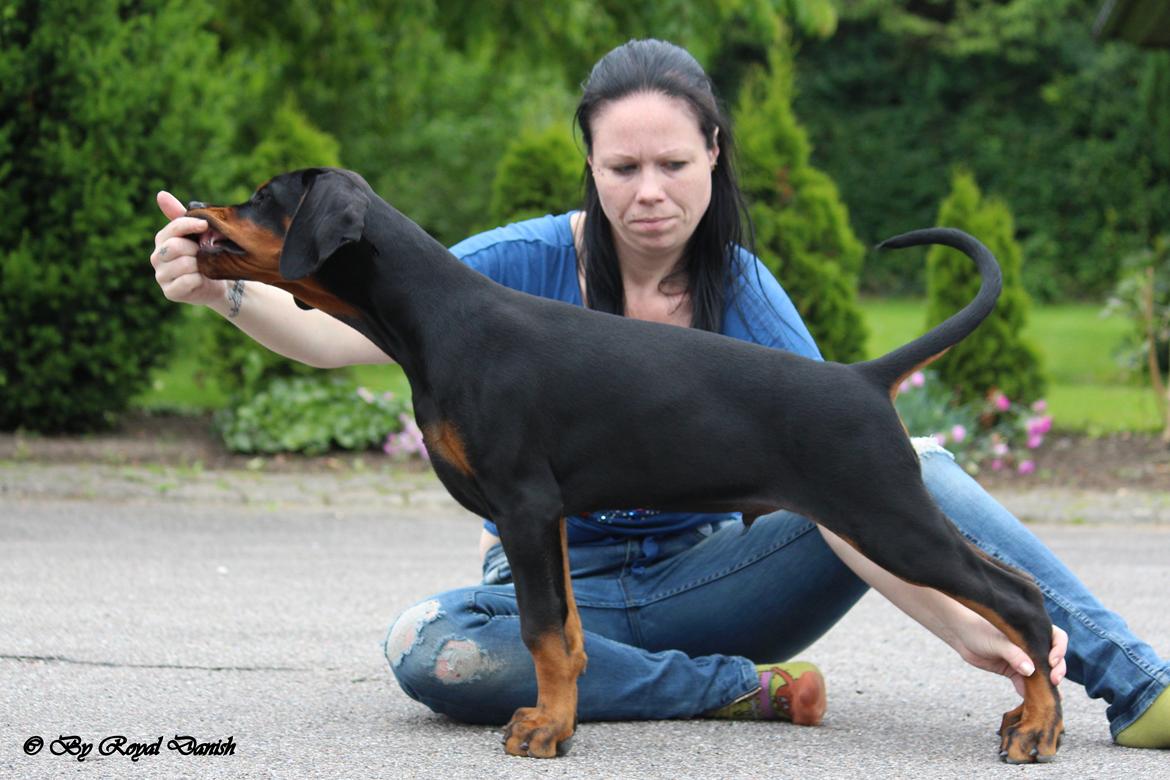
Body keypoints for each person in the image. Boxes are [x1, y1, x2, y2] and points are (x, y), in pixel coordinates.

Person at [151, 39, 1168, 749]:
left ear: (713, 156)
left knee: (916, 473)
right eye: (623, 164)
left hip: (712, 583)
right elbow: (336, 331)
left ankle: (1132, 681)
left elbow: (837, 490)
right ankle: (735, 693)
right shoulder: (506, 267)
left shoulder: (746, 294)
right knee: (432, 651)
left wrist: (951, 615)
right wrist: (222, 287)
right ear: (589, 165)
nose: (649, 189)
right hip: (569, 593)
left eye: (673, 162)